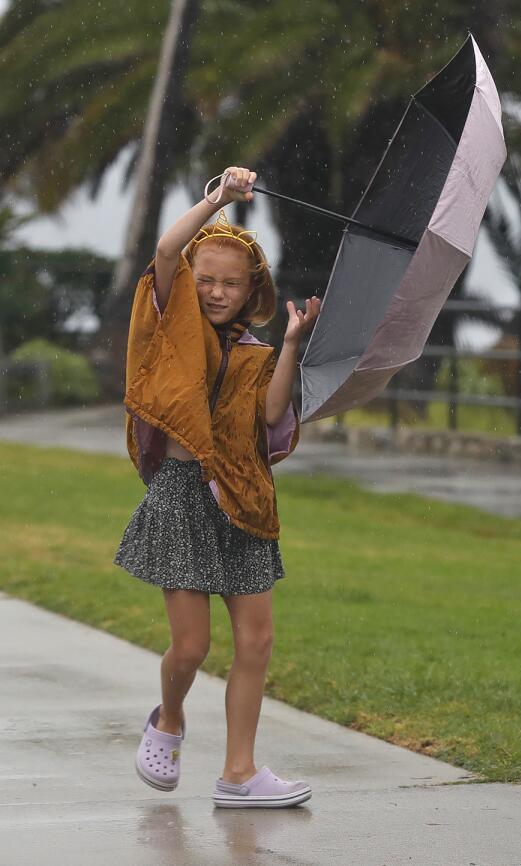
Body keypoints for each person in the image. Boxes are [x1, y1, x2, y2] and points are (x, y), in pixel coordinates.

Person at [114, 166, 321, 808]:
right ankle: (169, 717)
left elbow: (270, 415)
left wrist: (290, 343)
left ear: (252, 288)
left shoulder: (257, 351)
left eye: (231, 283)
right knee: (192, 646)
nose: (216, 292)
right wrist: (219, 200)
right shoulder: (172, 322)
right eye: (208, 281)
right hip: (182, 494)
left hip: (244, 501)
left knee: (256, 640)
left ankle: (239, 773)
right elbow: (168, 251)